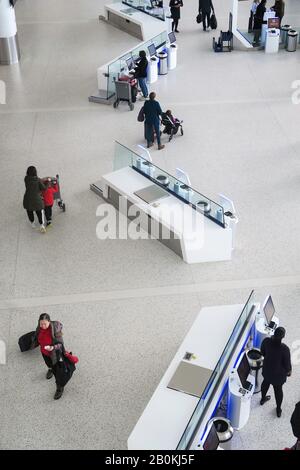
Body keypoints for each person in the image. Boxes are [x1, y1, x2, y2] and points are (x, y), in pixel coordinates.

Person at [260, 327, 292, 417]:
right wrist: (289, 372)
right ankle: (278, 409)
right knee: (278, 391)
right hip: (278, 376)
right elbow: (287, 365)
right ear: (283, 336)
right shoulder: (285, 349)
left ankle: (262, 399)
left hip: (267, 370)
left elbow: (262, 352)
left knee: (265, 383)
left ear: (274, 333)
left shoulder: (266, 341)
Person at [33, 313, 66, 400]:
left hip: (54, 354)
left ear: (49, 322)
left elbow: (60, 345)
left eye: (45, 324)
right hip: (44, 352)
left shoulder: (55, 330)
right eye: (41, 324)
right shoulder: (39, 328)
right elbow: (37, 336)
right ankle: (50, 369)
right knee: (48, 364)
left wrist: (52, 347)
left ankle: (59, 388)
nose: (43, 326)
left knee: (58, 373)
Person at [23, 166, 47, 233]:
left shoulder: (26, 179)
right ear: (35, 172)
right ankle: (41, 225)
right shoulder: (38, 180)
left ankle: (32, 223)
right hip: (37, 200)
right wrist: (47, 184)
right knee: (39, 211)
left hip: (27, 199)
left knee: (29, 211)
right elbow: (44, 188)